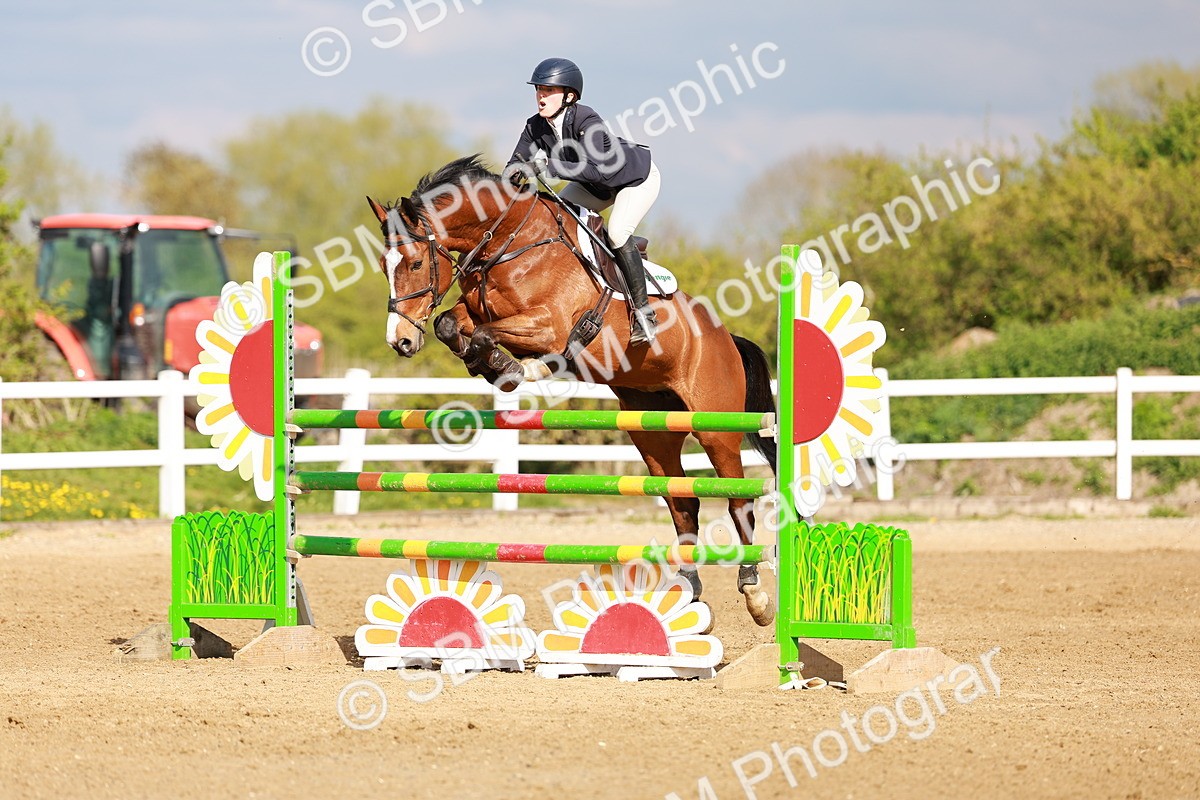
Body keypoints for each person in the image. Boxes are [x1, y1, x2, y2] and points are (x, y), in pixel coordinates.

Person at [506, 57, 661, 345]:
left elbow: (595, 169)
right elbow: (513, 166)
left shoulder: (587, 120)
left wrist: (546, 166)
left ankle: (644, 314)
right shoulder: (534, 126)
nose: (541, 96)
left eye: (548, 90)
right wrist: (513, 177)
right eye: (538, 90)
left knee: (617, 233)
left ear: (569, 96)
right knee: (555, 219)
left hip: (634, 179)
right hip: (596, 187)